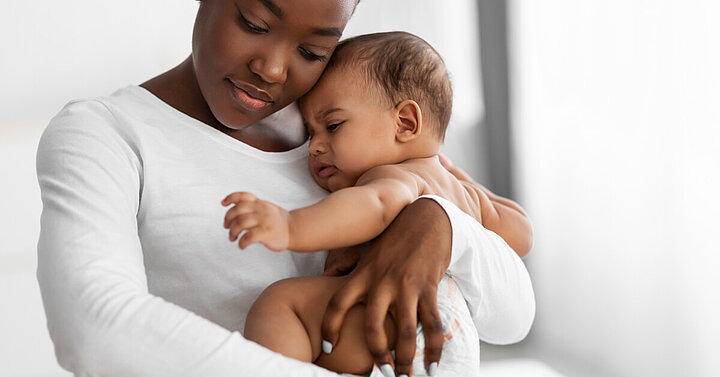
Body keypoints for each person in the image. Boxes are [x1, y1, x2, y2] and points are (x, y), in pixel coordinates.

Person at [36, 1, 535, 376]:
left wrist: (441, 225)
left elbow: (512, 321)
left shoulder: (357, 127)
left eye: (313, 51)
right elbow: (92, 330)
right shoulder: (107, 133)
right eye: (253, 23)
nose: (274, 70)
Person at [221, 32, 532, 376]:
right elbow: (521, 233)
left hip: (393, 324)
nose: (314, 146)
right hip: (454, 346)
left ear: (404, 123)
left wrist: (290, 227)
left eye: (333, 125)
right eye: (310, 133)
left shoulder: (396, 176)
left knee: (280, 305)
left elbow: (376, 204)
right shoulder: (459, 190)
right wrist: (470, 185)